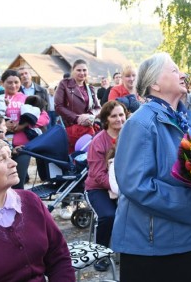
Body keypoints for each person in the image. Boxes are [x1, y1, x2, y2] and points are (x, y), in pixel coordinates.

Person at [112, 53, 191, 282]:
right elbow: (136, 185)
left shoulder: (185, 120)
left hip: (184, 238)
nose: (182, 74)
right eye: (174, 70)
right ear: (155, 84)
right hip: (150, 245)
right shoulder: (141, 124)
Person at [0, 136, 74, 281]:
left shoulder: (30, 200)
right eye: (1, 159)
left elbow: (59, 257)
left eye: (10, 156)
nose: (13, 163)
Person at [0, 69, 50, 190]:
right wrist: (2, 124)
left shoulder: (27, 99)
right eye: (9, 82)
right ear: (2, 82)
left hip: (22, 147)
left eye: (16, 82)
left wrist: (24, 124)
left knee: (18, 183)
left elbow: (44, 117)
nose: (13, 85)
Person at [85, 100, 128, 272]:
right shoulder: (99, 141)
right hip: (98, 188)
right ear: (106, 119)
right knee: (108, 216)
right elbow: (97, 173)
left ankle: (128, 252)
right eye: (114, 116)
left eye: (121, 114)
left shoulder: (129, 135)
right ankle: (101, 254)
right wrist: (117, 188)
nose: (119, 119)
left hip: (124, 187)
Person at [54, 59, 101, 153]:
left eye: (84, 70)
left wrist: (90, 115)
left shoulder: (90, 88)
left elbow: (98, 108)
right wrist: (77, 118)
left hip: (87, 128)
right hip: (69, 128)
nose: (82, 73)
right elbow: (58, 106)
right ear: (73, 71)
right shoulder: (64, 84)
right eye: (79, 70)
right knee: (72, 156)